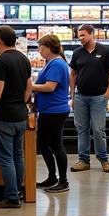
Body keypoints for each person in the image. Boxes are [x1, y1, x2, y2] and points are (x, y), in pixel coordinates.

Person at [0, 25, 33, 209]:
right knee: (18, 156)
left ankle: (12, 197)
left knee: (5, 158)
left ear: (0, 40)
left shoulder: (1, 61)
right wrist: (20, 103)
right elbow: (29, 87)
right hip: (20, 116)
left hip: (3, 117)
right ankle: (18, 192)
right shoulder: (24, 58)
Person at [69, 23, 109, 173]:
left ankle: (104, 160)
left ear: (91, 34)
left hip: (98, 97)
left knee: (98, 129)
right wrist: (72, 94)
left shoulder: (106, 51)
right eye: (79, 35)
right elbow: (73, 74)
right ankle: (83, 160)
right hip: (81, 97)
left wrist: (108, 91)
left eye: (83, 35)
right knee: (82, 129)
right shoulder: (77, 53)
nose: (80, 38)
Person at [32, 34, 71, 193]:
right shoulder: (52, 62)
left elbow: (50, 87)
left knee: (56, 145)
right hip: (48, 110)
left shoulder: (56, 64)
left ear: (49, 48)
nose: (39, 51)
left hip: (55, 111)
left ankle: (63, 181)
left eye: (41, 48)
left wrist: (30, 87)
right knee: (43, 144)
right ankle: (52, 177)